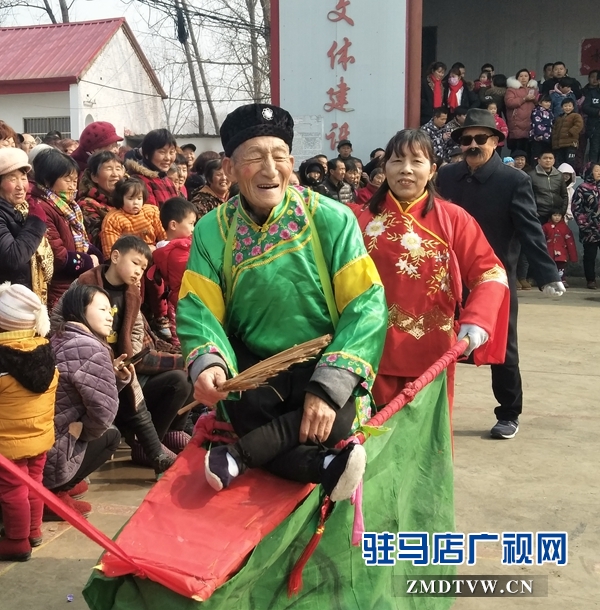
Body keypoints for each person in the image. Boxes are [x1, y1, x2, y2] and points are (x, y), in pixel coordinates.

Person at [177, 103, 387, 499]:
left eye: (278, 157)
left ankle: (239, 456)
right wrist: (207, 363)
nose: (269, 170)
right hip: (256, 369)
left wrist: (327, 389)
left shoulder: (331, 218)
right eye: (254, 158)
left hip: (321, 361)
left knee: (335, 422)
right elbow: (199, 308)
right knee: (245, 410)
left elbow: (366, 304)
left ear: (292, 162)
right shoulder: (211, 230)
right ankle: (323, 466)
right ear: (229, 167)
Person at [355, 129, 509, 407]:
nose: (406, 170)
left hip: (433, 356)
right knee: (369, 441)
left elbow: (490, 272)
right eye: (397, 161)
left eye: (417, 161)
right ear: (384, 167)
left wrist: (478, 318)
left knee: (425, 444)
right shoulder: (357, 219)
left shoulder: (454, 219)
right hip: (367, 351)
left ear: (432, 170)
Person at [437, 108, 564, 439]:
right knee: (436, 343)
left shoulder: (514, 181)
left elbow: (529, 230)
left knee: (503, 348)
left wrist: (547, 273)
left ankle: (508, 412)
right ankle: (429, 413)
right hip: (448, 278)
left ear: (496, 141)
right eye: (467, 140)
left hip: (494, 280)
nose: (473, 145)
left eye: (481, 138)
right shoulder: (446, 177)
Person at [50, 236, 181, 473]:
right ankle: (153, 452)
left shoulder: (133, 292)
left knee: (175, 380)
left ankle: (158, 445)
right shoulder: (85, 283)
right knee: (131, 395)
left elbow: (138, 326)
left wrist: (129, 352)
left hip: (120, 361)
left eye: (143, 268)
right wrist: (85, 346)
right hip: (87, 360)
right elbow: (59, 316)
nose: (139, 272)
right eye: (135, 263)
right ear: (116, 256)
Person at [44, 284, 129, 514]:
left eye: (110, 310)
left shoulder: (59, 337)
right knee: (111, 434)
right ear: (80, 310)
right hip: (54, 455)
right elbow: (104, 413)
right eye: (101, 309)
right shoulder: (91, 347)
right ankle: (55, 495)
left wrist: (114, 378)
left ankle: (61, 483)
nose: (109, 316)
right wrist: (79, 431)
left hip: (40, 447)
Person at [0, 283, 57, 561]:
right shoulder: (46, 353)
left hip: (8, 445)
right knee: (35, 483)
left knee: (13, 491)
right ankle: (34, 531)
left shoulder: (3, 360)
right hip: (40, 437)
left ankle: (16, 541)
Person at [28, 149, 102, 308]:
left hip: (76, 284)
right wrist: (90, 261)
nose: (72, 186)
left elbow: (81, 241)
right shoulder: (42, 208)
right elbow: (58, 258)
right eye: (67, 180)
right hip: (59, 290)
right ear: (48, 180)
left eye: (75, 180)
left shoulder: (69, 206)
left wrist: (99, 257)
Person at [0, 148, 54, 304]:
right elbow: (13, 257)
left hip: (27, 299)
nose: (20, 186)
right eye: (12, 179)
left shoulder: (24, 209)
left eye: (23, 178)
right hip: (8, 304)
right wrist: (36, 222)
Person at [153, 197, 197, 343]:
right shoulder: (175, 251)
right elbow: (193, 267)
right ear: (173, 224)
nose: (193, 228)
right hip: (186, 296)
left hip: (179, 297)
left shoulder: (172, 248)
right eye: (191, 224)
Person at [100, 177, 166, 258]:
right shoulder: (113, 219)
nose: (135, 202)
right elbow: (110, 250)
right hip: (128, 258)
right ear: (121, 199)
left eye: (139, 198)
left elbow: (165, 237)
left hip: (155, 254)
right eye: (130, 198)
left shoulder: (152, 211)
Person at [77, 151, 125, 249]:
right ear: (94, 177)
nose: (115, 174)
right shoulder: (87, 205)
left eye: (118, 168)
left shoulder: (129, 197)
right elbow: (99, 241)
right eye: (109, 168)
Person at [125, 129, 179, 207]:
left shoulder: (167, 179)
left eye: (172, 152)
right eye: (162, 152)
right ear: (147, 154)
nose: (168, 158)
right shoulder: (138, 182)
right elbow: (150, 215)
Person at [572, 162, 600, 289]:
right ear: (589, 172)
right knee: (590, 255)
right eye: (596, 170)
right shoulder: (582, 188)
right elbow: (576, 208)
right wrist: (585, 224)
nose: (599, 173)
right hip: (590, 228)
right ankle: (591, 280)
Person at [527, 151, 568, 223]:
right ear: (539, 160)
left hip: (556, 215)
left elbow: (564, 195)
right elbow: (528, 197)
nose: (548, 160)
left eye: (550, 158)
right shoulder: (531, 175)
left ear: (554, 160)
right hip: (539, 215)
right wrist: (533, 212)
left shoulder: (559, 175)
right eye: (545, 158)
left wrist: (562, 212)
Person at [505, 69, 538, 155]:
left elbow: (540, 103)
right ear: (517, 78)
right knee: (517, 149)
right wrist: (524, 99)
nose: (523, 78)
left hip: (530, 123)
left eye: (526, 76)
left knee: (528, 149)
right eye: (521, 76)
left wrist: (535, 100)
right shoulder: (511, 89)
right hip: (517, 123)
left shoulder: (534, 89)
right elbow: (509, 102)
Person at [542, 212, 577, 286]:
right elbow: (541, 240)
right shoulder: (545, 227)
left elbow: (570, 242)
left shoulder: (565, 228)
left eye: (559, 215)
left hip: (562, 253)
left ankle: (562, 280)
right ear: (550, 216)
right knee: (550, 267)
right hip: (549, 252)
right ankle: (550, 280)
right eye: (554, 215)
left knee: (561, 267)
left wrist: (573, 256)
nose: (557, 217)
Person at [552, 99, 584, 167]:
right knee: (559, 162)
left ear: (573, 107)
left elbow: (579, 125)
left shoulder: (576, 115)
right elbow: (554, 129)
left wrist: (570, 132)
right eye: (565, 106)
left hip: (570, 143)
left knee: (570, 161)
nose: (567, 108)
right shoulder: (559, 118)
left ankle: (571, 176)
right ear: (562, 107)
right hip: (559, 145)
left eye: (569, 106)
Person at [420, 61, 447, 126]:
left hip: (437, 115)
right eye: (439, 72)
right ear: (433, 71)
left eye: (443, 73)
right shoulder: (425, 82)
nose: (441, 75)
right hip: (426, 115)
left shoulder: (442, 85)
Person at [529, 95, 554, 161]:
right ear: (540, 103)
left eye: (549, 102)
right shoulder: (537, 111)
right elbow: (536, 124)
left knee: (545, 156)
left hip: (547, 138)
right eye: (546, 102)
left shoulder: (550, 112)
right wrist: (539, 135)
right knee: (537, 156)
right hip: (538, 138)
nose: (548, 104)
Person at [582, 75, 600, 164]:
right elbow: (585, 107)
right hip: (595, 127)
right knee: (594, 150)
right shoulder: (591, 93)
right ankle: (592, 174)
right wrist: (597, 112)